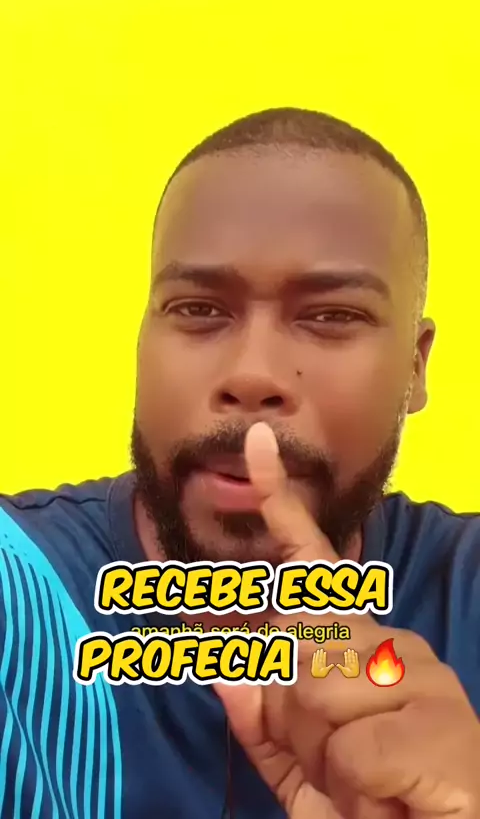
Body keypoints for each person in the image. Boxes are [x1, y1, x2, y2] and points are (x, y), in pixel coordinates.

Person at [1, 107, 479, 819]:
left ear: (415, 367)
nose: (253, 374)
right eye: (198, 309)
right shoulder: (16, 594)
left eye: (332, 316)